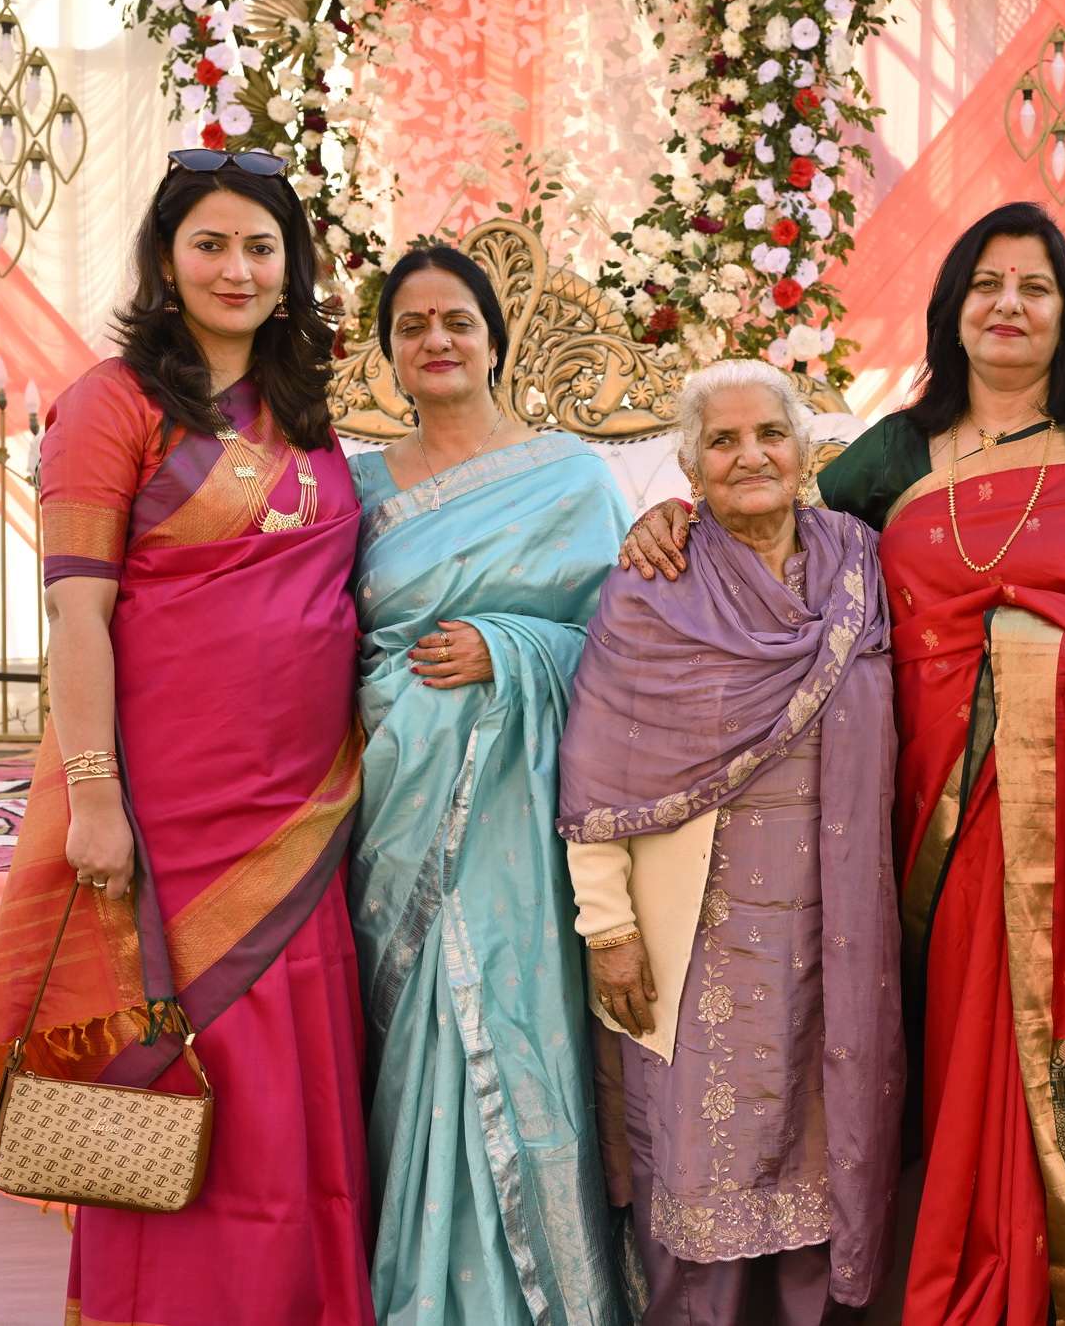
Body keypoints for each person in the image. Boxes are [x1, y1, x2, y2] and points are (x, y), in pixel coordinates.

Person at [623, 202, 1065, 1325]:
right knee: (949, 1055)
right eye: (985, 284)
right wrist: (676, 520)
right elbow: (775, 543)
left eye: (1034, 286)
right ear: (951, 309)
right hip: (925, 822)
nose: (1008, 305)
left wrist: (1036, 663)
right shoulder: (893, 452)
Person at [0, 149, 372, 1324]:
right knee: (191, 1074)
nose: (236, 269)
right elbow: (77, 617)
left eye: (260, 247)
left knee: (297, 1091)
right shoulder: (113, 403)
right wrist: (94, 797)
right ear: (166, 258)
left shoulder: (305, 412)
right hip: (170, 817)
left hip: (307, 811)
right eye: (211, 244)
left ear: (291, 268)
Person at [555, 358, 903, 1324]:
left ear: (805, 448)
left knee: (822, 1159)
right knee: (701, 1174)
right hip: (697, 940)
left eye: (770, 433)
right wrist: (609, 928)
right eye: (722, 440)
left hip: (835, 930)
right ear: (689, 466)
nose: (751, 455)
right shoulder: (653, 585)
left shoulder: (859, 561)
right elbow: (597, 775)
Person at [347, 244, 631, 1324]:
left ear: (493, 341)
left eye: (457, 320)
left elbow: (620, 643)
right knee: (411, 1046)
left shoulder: (570, 476)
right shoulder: (359, 486)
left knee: (512, 1029)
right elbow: (328, 642)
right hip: (397, 799)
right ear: (388, 353)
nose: (436, 340)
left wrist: (511, 649)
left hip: (521, 808)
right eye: (412, 325)